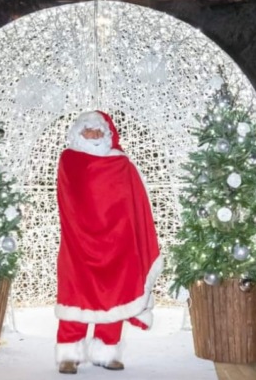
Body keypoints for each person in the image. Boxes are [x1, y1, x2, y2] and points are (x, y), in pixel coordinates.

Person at [55, 110, 162, 374]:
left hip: (116, 242)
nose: (92, 135)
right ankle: (69, 354)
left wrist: (126, 233)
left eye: (98, 131)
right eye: (87, 130)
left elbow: (135, 201)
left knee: (114, 295)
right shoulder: (69, 160)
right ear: (78, 133)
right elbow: (68, 198)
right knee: (76, 296)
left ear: (107, 134)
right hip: (78, 242)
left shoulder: (120, 164)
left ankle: (106, 350)